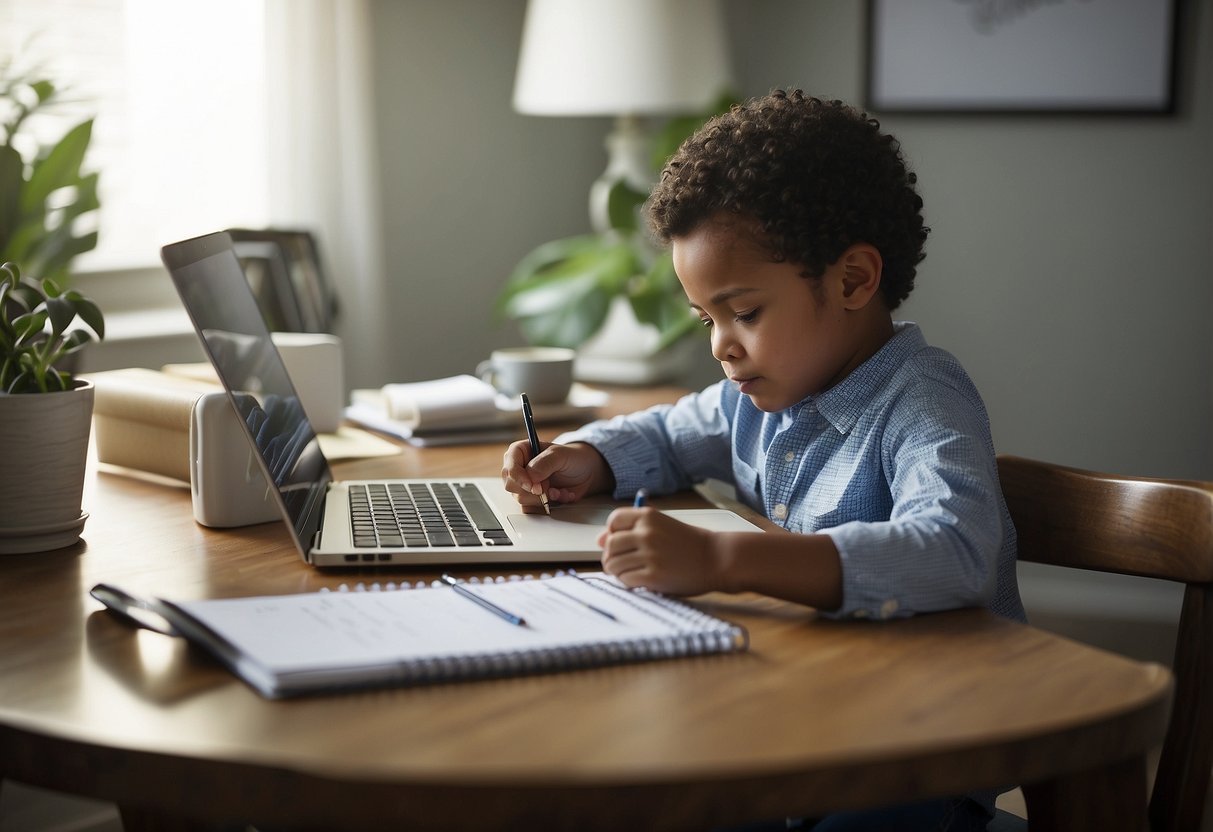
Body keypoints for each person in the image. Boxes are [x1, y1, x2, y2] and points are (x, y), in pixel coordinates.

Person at [500, 89, 1024, 831]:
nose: (720, 345)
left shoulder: (922, 400)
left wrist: (724, 560)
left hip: (923, 748)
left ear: (851, 280)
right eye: (705, 318)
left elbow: (954, 551)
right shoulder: (759, 395)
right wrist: (589, 458)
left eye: (743, 313)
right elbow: (670, 434)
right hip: (813, 712)